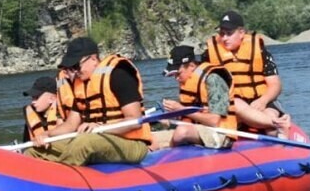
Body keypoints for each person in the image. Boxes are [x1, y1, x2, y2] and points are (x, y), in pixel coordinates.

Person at [25, 37, 151, 165]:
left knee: (84, 142)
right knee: (35, 150)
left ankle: (62, 179)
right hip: (96, 139)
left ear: (93, 59)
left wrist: (101, 128)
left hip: (132, 144)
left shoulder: (119, 74)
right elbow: (71, 125)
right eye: (71, 67)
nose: (74, 72)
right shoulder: (81, 85)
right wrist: (46, 134)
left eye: (76, 66)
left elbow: (135, 121)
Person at [202, 10, 290, 135]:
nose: (224, 38)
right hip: (233, 103)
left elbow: (275, 85)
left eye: (229, 33)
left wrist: (262, 101)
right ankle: (279, 122)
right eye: (222, 34)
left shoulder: (260, 52)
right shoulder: (209, 55)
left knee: (271, 130)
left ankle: (277, 132)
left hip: (261, 100)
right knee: (235, 103)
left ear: (241, 32)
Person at [159, 45, 236, 149]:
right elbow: (190, 115)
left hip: (220, 133)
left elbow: (214, 121)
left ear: (191, 66)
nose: (176, 78)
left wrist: (181, 109)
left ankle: (169, 157)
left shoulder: (214, 79)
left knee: (181, 132)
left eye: (178, 74)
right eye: (174, 75)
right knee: (152, 139)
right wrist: (171, 117)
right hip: (195, 129)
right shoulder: (190, 79)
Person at [21, 76, 60, 144]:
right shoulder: (32, 116)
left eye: (36, 98)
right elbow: (26, 143)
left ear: (52, 99)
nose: (33, 102)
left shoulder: (62, 115)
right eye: (32, 98)